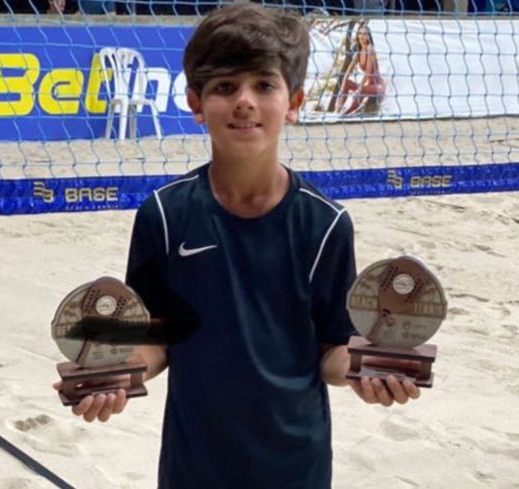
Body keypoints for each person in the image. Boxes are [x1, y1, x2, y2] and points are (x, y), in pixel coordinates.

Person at [56, 4, 420, 488]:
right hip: (193, 467)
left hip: (296, 467)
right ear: (195, 102)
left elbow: (332, 347)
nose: (244, 101)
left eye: (263, 85)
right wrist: (115, 373)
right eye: (226, 87)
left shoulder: (325, 223)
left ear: (294, 102)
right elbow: (154, 339)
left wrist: (369, 371)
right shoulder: (164, 215)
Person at [335, 23, 387, 116]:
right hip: (368, 86)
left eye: (365, 34)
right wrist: (342, 89)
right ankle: (338, 110)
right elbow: (348, 72)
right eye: (360, 33)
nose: (362, 36)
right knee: (347, 83)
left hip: (378, 86)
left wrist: (359, 89)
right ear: (357, 35)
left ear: (368, 36)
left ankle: (345, 114)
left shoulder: (370, 49)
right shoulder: (358, 53)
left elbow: (368, 73)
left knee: (361, 91)